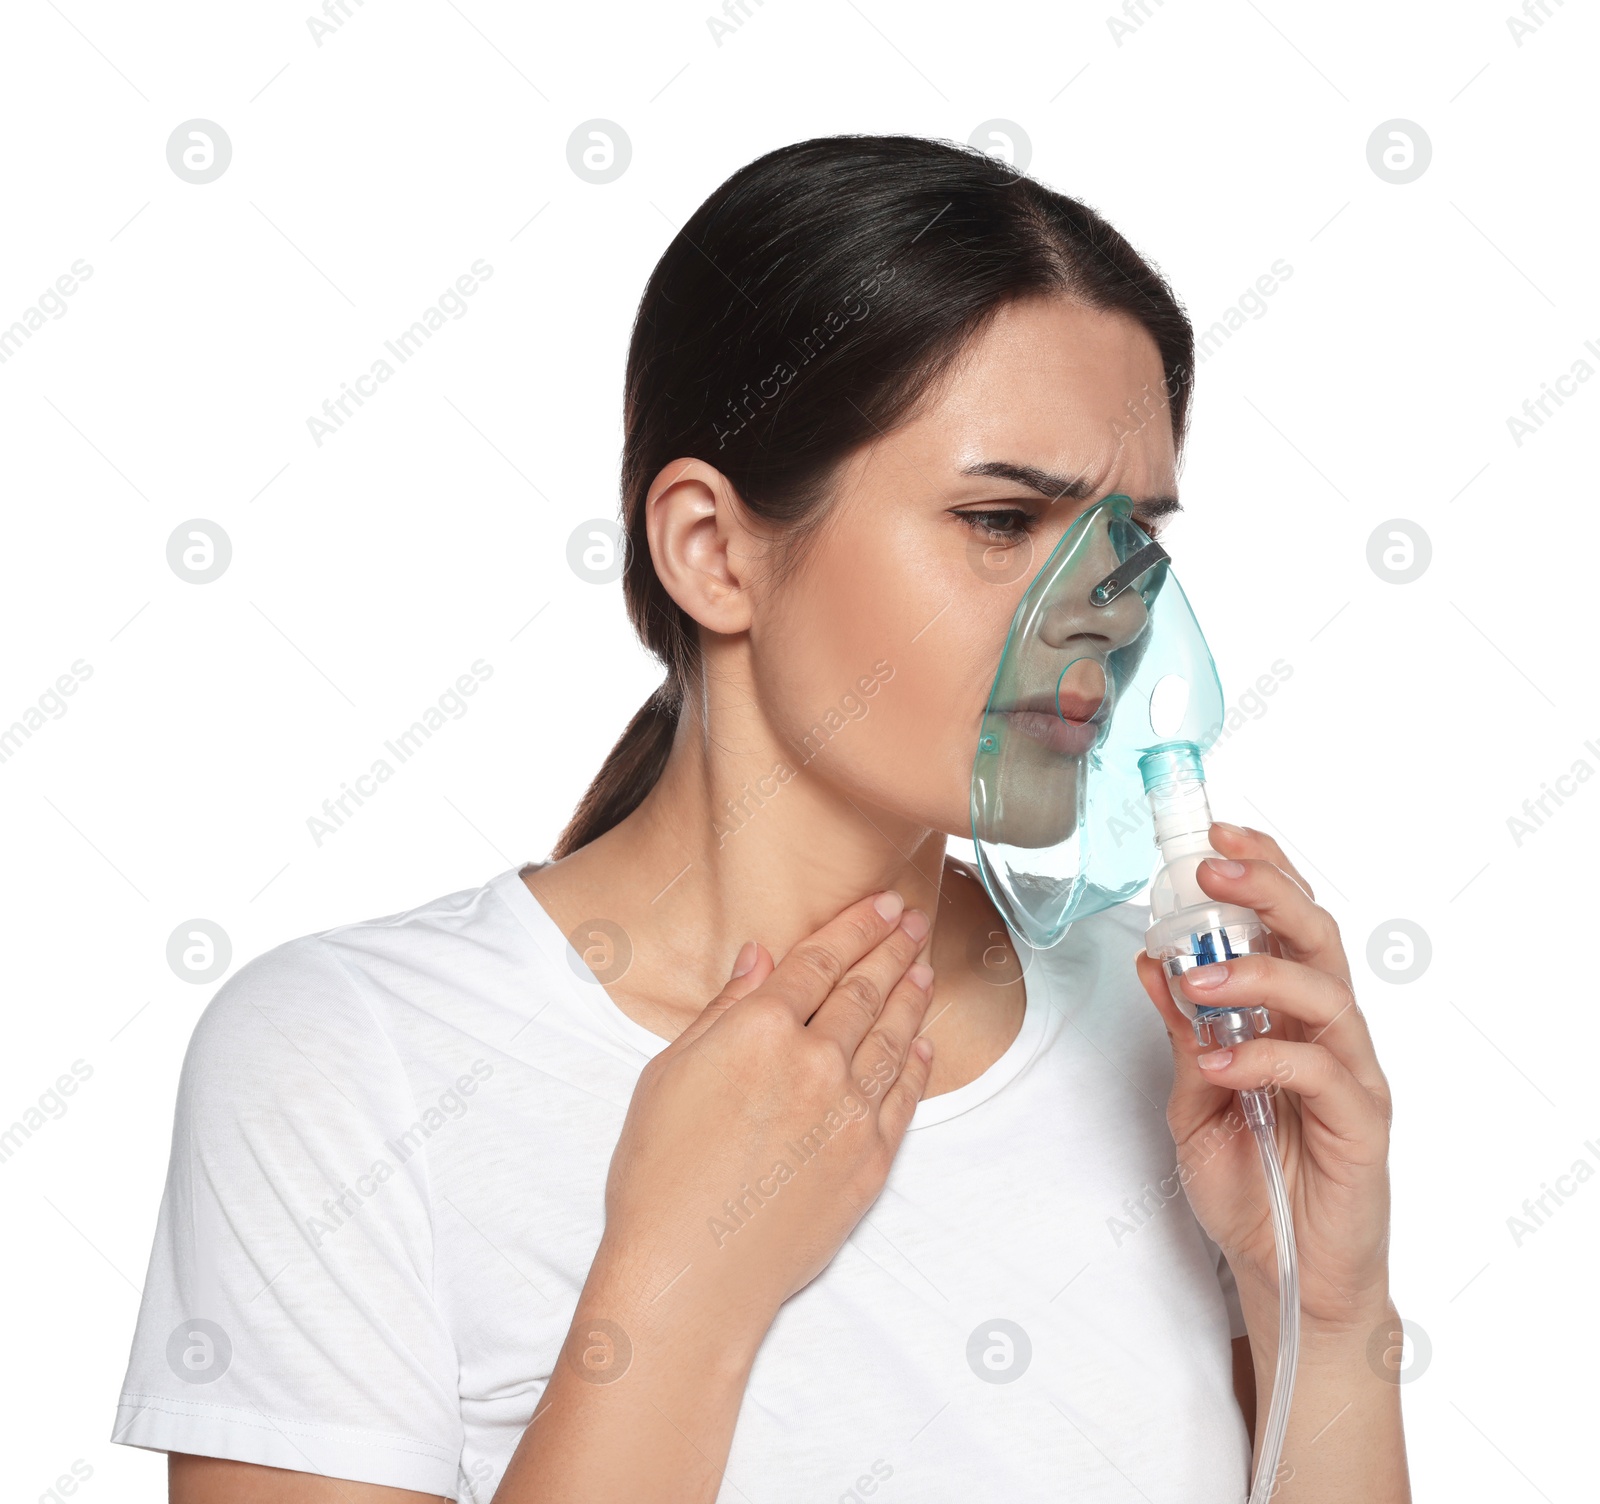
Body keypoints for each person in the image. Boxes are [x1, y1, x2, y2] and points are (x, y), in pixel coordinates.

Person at [116, 134, 1409, 1502]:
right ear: (712, 550)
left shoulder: (1175, 1043)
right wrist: (679, 1296)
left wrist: (1326, 1315)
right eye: (999, 519)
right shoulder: (352, 1063)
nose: (1100, 602)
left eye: (1129, 537)